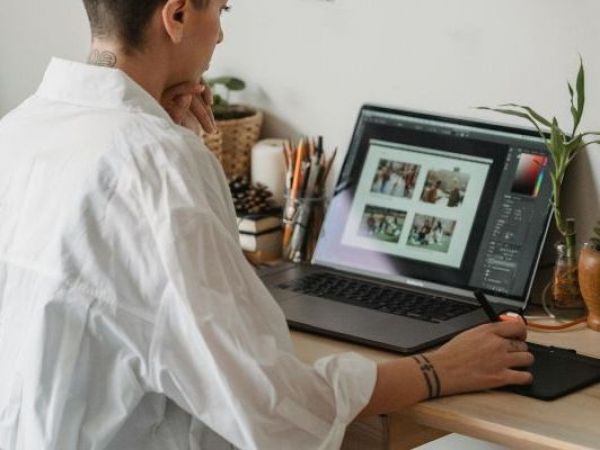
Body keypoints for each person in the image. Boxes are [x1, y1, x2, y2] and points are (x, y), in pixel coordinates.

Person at [0, 1, 534, 449]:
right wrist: (437, 370)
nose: (221, 33)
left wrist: (165, 125)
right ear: (177, 15)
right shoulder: (157, 162)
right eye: (221, 9)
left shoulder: (20, 129)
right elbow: (270, 410)